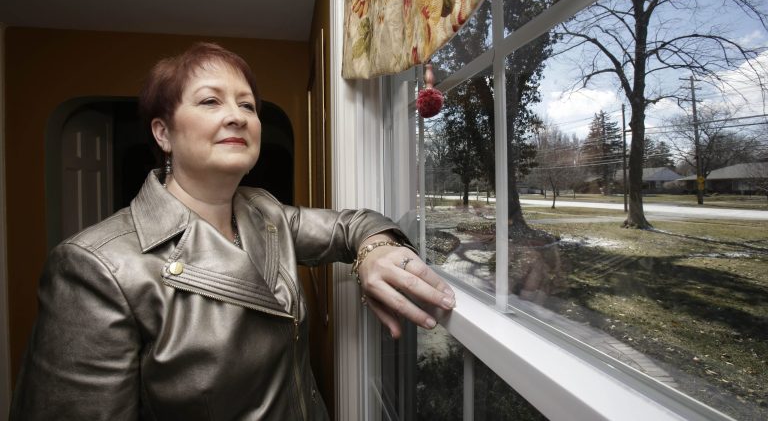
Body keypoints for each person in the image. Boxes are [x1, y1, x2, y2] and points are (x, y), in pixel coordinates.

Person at [10, 42, 455, 420]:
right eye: (210, 101)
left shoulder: (265, 211)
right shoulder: (94, 268)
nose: (237, 116)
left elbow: (351, 225)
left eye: (247, 105)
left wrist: (374, 250)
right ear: (163, 133)